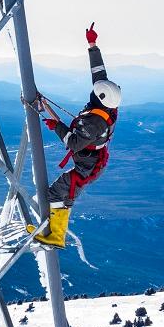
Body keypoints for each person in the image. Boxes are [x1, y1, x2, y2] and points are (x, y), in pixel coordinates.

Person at [30, 23, 121, 247]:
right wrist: (92, 45)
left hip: (87, 167)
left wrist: (56, 126)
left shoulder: (95, 122)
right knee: (63, 192)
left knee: (57, 193)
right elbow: (99, 75)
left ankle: (55, 236)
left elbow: (73, 143)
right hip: (90, 162)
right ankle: (53, 232)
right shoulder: (107, 104)